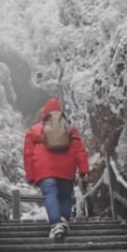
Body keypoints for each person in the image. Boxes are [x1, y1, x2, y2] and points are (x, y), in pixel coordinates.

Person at [23, 98, 90, 239]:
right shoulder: (70, 129)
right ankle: (64, 220)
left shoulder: (34, 130)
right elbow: (80, 151)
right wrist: (84, 171)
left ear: (44, 113)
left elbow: (28, 154)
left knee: (50, 194)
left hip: (44, 169)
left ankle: (55, 224)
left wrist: (30, 175)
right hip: (67, 168)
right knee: (65, 196)